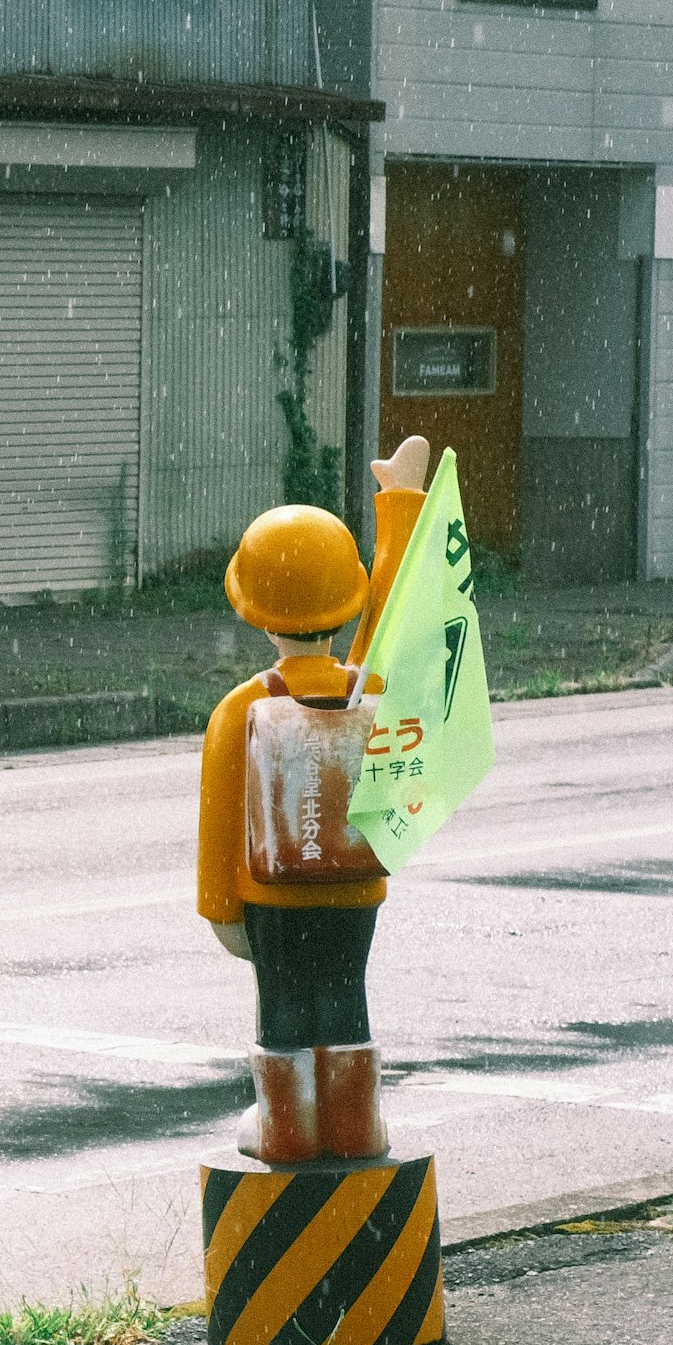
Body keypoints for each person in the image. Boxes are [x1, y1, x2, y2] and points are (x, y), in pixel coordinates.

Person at [195, 435, 434, 1163]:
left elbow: (218, 821)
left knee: (285, 1008)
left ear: (255, 609)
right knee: (344, 997)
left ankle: (287, 1129)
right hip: (355, 885)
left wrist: (223, 910)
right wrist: (401, 503)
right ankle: (355, 1123)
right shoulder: (371, 688)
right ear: (348, 597)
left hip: (271, 893)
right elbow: (399, 607)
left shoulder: (242, 707)